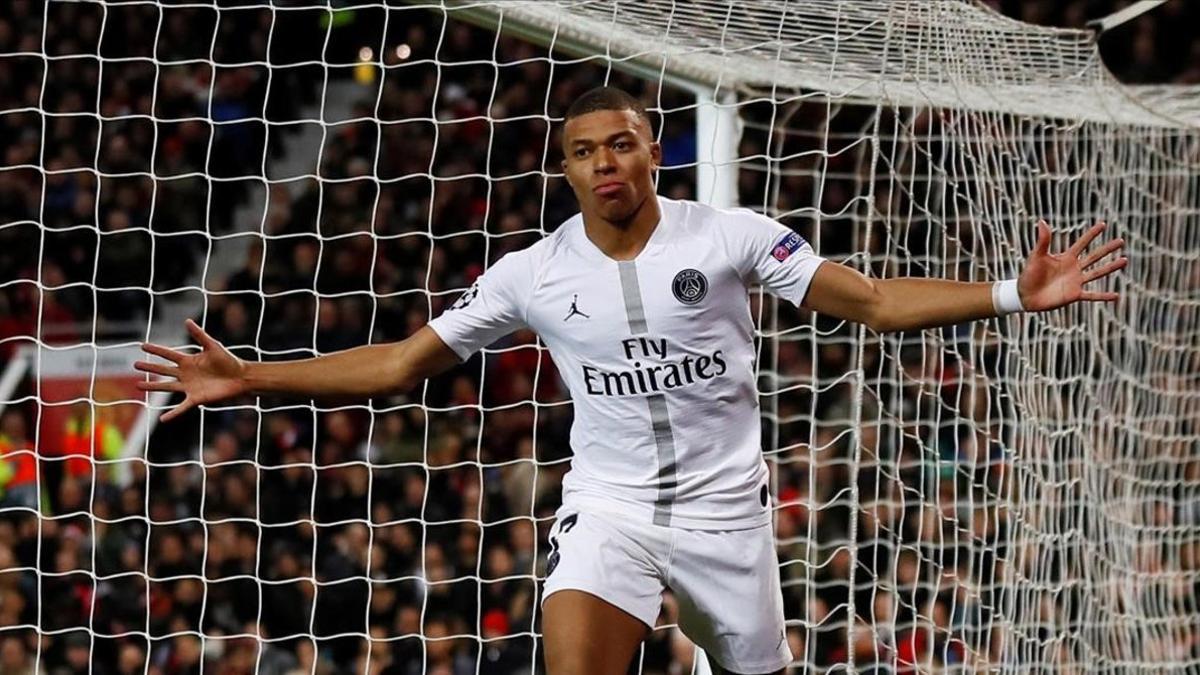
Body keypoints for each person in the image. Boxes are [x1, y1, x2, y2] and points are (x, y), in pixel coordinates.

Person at [135, 86, 1126, 675]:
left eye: (621, 143)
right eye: (583, 151)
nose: (604, 161)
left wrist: (1009, 295)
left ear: (652, 151)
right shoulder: (533, 273)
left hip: (732, 522)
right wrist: (253, 375)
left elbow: (862, 302)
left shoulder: (728, 236)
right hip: (608, 512)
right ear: (563, 170)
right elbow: (400, 362)